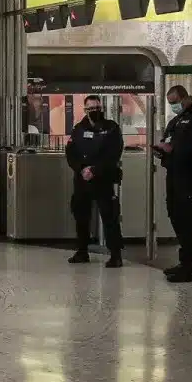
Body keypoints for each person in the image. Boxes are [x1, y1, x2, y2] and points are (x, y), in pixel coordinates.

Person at [154, 85, 192, 283]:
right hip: (173, 175)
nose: (173, 106)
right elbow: (168, 142)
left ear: (186, 98)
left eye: (175, 102)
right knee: (174, 214)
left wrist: (173, 150)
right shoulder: (175, 121)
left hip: (191, 177)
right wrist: (162, 151)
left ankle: (188, 266)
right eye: (170, 103)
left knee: (188, 220)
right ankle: (184, 263)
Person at [65, 95, 125, 267]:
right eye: (91, 109)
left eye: (97, 108)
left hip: (103, 179)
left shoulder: (111, 128)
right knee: (81, 216)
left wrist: (95, 170)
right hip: (82, 180)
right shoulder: (78, 129)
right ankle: (82, 251)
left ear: (102, 108)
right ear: (85, 110)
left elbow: (113, 153)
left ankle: (115, 255)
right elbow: (71, 153)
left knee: (110, 217)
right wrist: (82, 169)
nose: (94, 111)